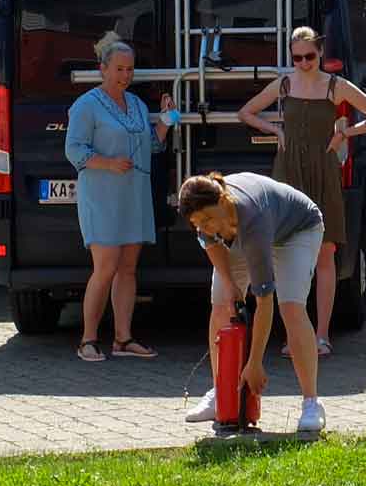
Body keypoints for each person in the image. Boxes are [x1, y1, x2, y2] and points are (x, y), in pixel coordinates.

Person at [237, 27, 366, 355]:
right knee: (286, 253)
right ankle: (295, 334)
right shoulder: (284, 83)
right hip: (288, 173)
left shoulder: (336, 86)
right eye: (297, 57)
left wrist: (346, 132)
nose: (304, 62)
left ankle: (321, 335)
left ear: (320, 53)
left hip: (324, 172)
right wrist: (273, 129)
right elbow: (246, 112)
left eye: (309, 56)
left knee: (325, 253)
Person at [178, 171, 327, 432]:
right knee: (221, 303)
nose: (205, 226)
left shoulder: (252, 218)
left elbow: (264, 300)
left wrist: (255, 362)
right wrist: (231, 286)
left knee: (291, 307)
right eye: (197, 223)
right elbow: (212, 244)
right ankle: (221, 393)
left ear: (224, 201)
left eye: (209, 219)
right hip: (245, 230)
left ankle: (312, 403)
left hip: (297, 229)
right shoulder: (206, 216)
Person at [65, 31, 175, 362]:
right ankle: (87, 339)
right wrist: (108, 163)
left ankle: (123, 339)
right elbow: (74, 150)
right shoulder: (85, 105)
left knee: (128, 267)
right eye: (119, 69)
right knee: (106, 266)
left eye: (130, 70)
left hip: (133, 194)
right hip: (102, 193)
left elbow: (152, 146)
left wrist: (166, 122)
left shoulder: (139, 105)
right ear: (104, 69)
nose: (126, 75)